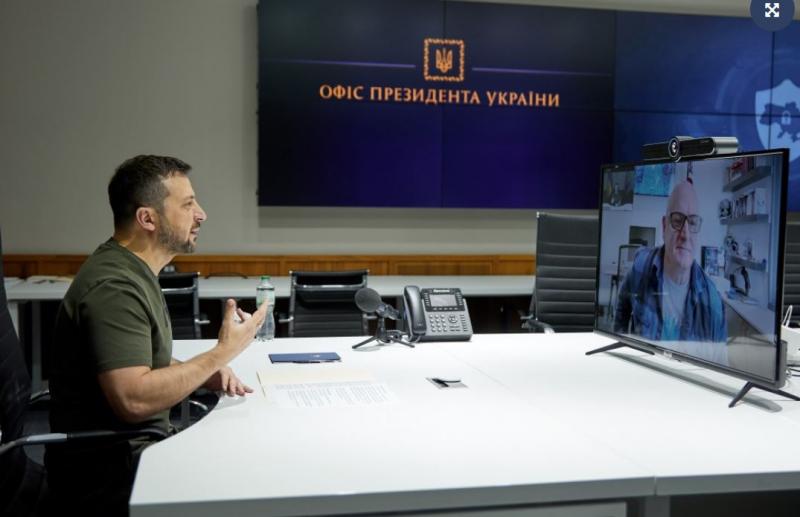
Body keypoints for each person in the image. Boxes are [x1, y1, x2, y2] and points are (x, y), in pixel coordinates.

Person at [45, 155, 268, 516]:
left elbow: (144, 361)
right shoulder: (114, 287)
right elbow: (133, 400)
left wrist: (204, 374)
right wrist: (221, 353)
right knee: (255, 477)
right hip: (112, 477)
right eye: (188, 204)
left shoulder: (132, 270)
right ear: (147, 218)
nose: (201, 214)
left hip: (134, 456)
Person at [614, 180, 726, 344]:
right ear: (664, 226)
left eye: (692, 222)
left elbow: (719, 359)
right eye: (677, 220)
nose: (685, 234)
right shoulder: (640, 267)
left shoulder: (713, 304)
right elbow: (622, 306)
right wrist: (622, 343)